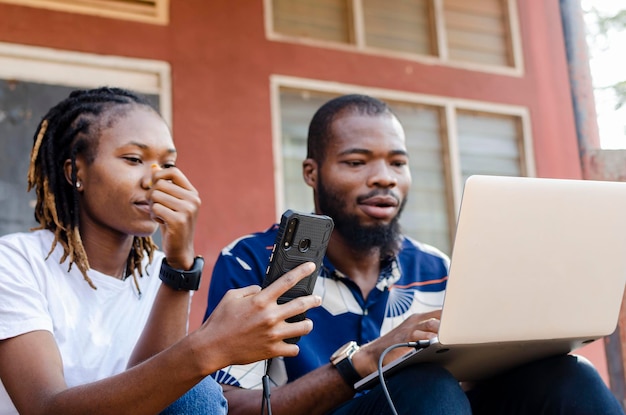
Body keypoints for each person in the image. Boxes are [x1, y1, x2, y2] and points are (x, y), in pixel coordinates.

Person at [204, 93, 624, 414]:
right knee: (425, 387)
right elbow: (225, 407)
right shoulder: (254, 262)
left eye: (398, 163)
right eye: (356, 162)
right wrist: (365, 362)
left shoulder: (435, 268)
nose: (384, 178)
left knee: (570, 376)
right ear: (312, 173)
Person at [0, 87, 321, 415]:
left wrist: (181, 267)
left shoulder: (160, 269)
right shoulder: (14, 262)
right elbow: (44, 408)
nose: (158, 179)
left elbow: (163, 400)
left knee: (193, 391)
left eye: (168, 163)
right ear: (76, 171)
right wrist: (212, 346)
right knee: (199, 389)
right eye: (134, 159)